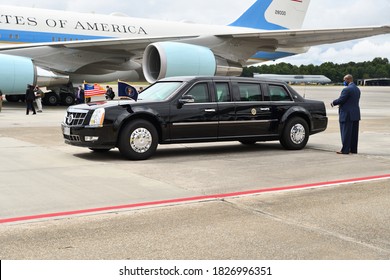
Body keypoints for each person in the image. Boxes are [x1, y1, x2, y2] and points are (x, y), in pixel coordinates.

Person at [331, 74, 361, 155]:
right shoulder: (357, 89)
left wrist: (333, 103)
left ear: (348, 79)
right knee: (354, 134)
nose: (344, 82)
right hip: (355, 114)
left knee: (346, 133)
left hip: (347, 114)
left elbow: (341, 100)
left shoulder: (347, 89)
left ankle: (345, 150)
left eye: (344, 80)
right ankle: (353, 149)